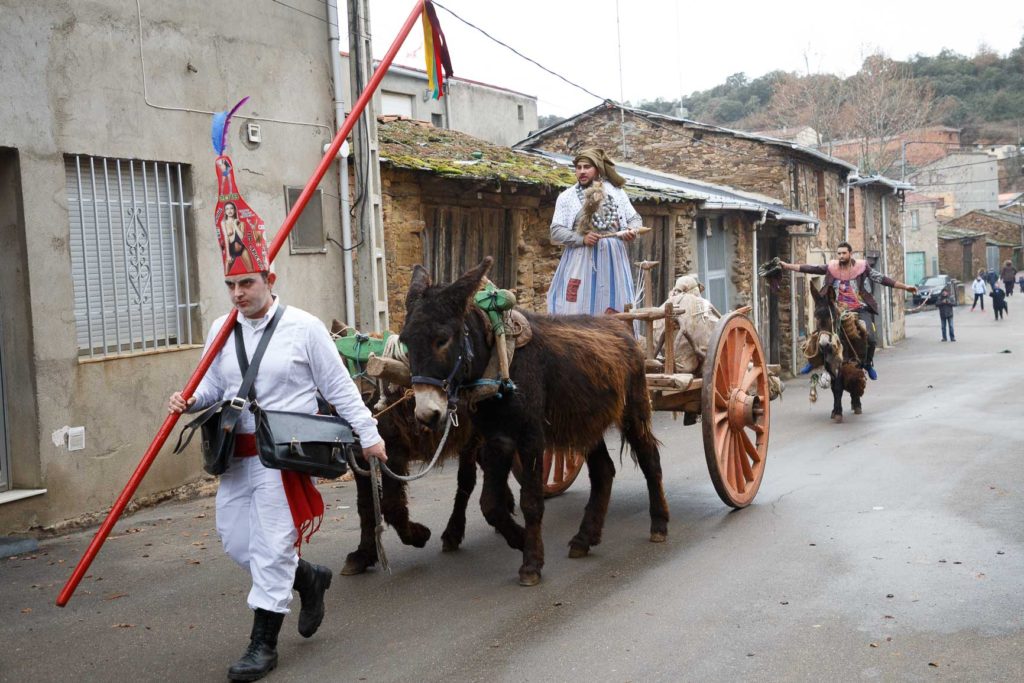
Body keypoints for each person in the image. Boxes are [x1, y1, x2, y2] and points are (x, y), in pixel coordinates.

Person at [169, 154, 387, 682]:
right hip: (235, 454)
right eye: (232, 285)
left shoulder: (305, 328)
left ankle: (262, 645)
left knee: (269, 548)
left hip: (284, 456)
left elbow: (337, 387)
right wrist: (189, 398)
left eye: (247, 282)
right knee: (236, 541)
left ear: (269, 276)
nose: (239, 293)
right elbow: (215, 386)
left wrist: (370, 435)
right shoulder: (222, 327)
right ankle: (309, 577)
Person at [779, 242, 918, 380]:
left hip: (859, 308)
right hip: (837, 308)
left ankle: (868, 364)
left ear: (850, 254)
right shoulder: (831, 268)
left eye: (844, 253)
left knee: (870, 338)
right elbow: (810, 268)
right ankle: (813, 361)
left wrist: (905, 287)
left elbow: (882, 279)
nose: (841, 256)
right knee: (821, 332)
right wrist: (787, 266)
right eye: (839, 253)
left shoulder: (862, 268)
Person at [547, 148, 640, 316]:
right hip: (581, 259)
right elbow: (556, 230)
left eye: (587, 167)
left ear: (597, 169)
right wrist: (581, 239)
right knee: (577, 307)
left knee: (617, 307)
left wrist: (630, 230)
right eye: (578, 167)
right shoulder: (567, 197)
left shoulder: (617, 193)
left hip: (613, 261)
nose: (582, 171)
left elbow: (634, 218)